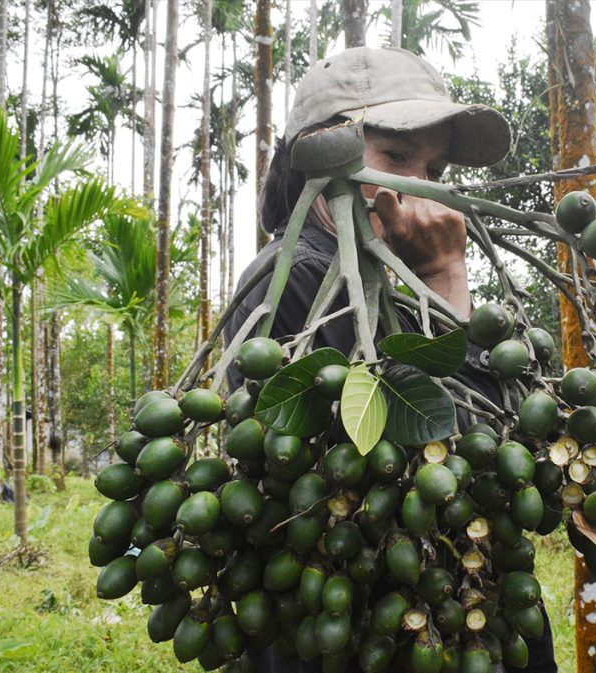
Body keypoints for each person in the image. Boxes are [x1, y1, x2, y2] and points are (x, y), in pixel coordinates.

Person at [225, 47, 558, 673]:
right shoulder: (298, 278)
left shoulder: (376, 281)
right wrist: (445, 272)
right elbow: (457, 443)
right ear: (324, 154)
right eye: (398, 157)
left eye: (433, 166)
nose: (422, 185)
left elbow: (501, 457)